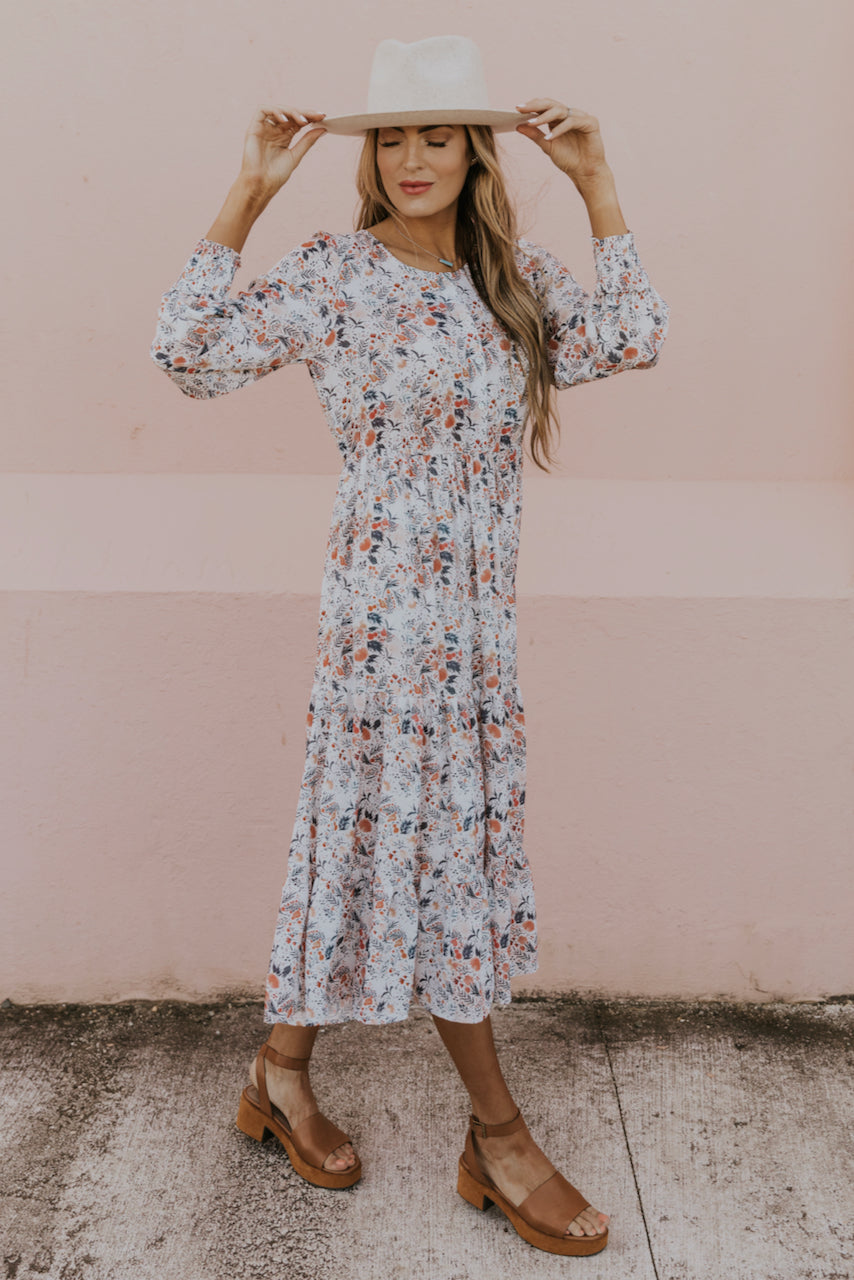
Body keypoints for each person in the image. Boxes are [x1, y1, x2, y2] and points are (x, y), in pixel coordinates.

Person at [150, 34, 669, 1258]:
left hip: (475, 637)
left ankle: (279, 1074)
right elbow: (184, 351)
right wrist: (248, 190)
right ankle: (496, 1135)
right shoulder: (336, 271)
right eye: (393, 137)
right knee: (431, 862)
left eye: (438, 135)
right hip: (383, 629)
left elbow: (633, 333)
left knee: (377, 841)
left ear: (474, 152)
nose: (414, 157)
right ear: (369, 158)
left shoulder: (512, 276)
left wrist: (598, 183)